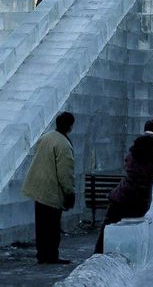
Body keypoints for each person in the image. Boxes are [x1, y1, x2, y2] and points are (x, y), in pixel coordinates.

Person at [94, 133, 153, 253]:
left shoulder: (131, 157)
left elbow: (127, 167)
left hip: (121, 198)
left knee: (107, 224)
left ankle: (98, 252)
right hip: (140, 204)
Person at [22, 111, 76, 265]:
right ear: (70, 126)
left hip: (39, 187)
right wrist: (69, 192)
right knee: (52, 225)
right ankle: (51, 255)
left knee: (42, 225)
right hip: (52, 190)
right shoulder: (63, 144)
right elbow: (66, 172)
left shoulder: (47, 137)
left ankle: (42, 255)